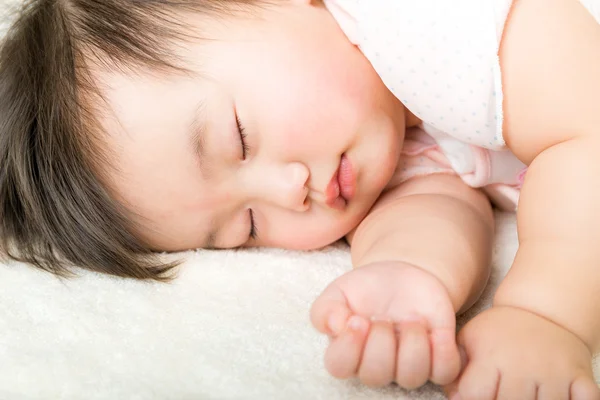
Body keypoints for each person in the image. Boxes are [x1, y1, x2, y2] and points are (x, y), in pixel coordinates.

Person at [1, 0, 599, 398]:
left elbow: (588, 126)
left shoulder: (425, 23)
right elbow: (434, 199)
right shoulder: (376, 129)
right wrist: (408, 275)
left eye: (238, 139)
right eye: (249, 226)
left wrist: (544, 315)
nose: (289, 191)